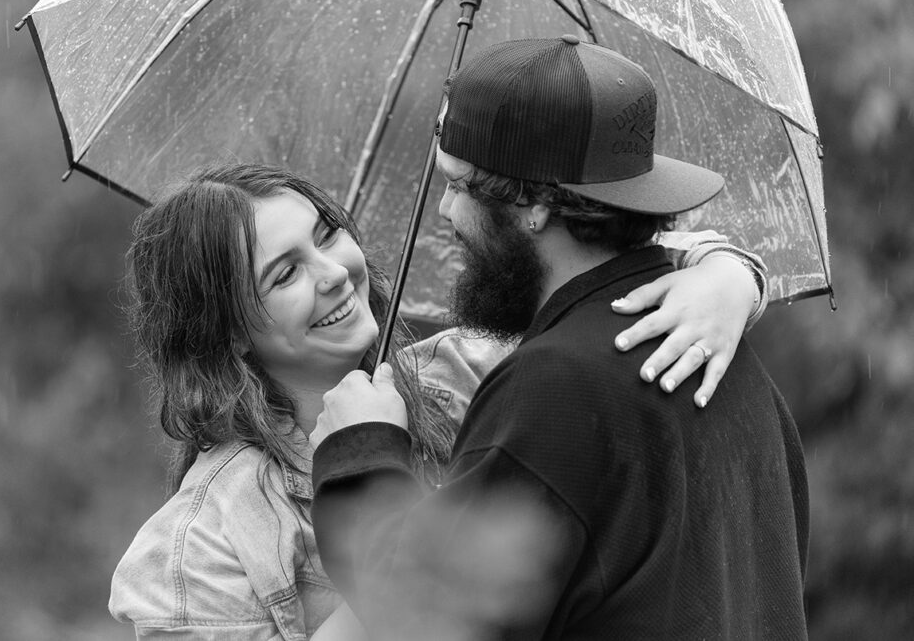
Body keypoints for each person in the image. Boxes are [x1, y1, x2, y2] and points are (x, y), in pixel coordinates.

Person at [108, 156, 767, 640]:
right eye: (285, 273)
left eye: (328, 231)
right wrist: (368, 475)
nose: (337, 272)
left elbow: (613, 268)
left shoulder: (478, 368)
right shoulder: (196, 547)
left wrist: (729, 276)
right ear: (227, 338)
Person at [310, 37, 809, 640]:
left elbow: (425, 621)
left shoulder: (560, 387)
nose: (444, 211)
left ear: (533, 204)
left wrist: (360, 450)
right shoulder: (733, 364)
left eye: (457, 185)